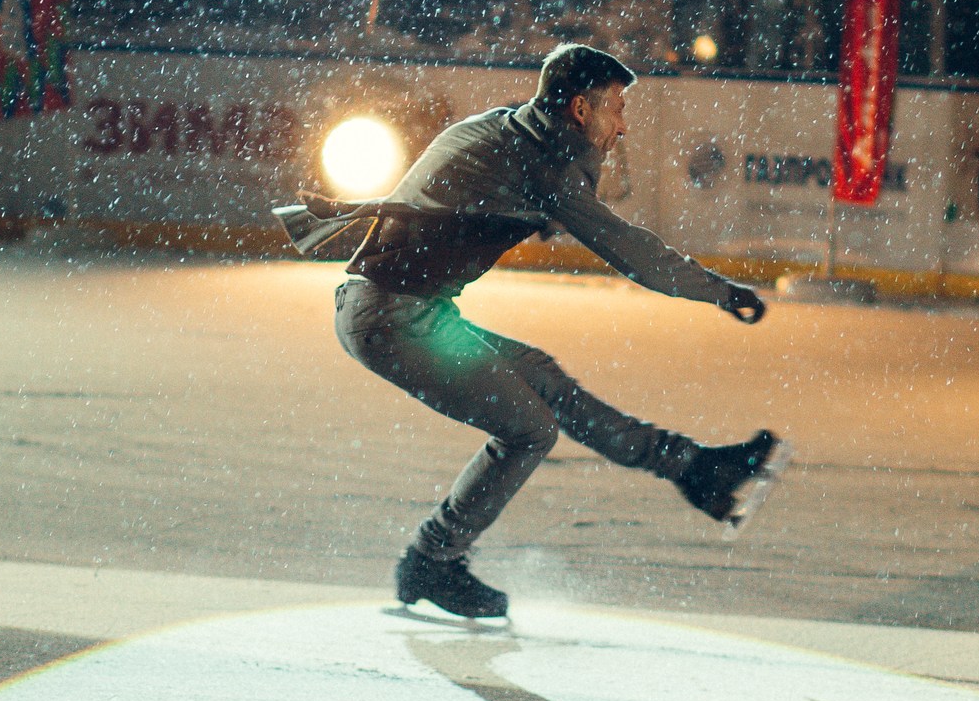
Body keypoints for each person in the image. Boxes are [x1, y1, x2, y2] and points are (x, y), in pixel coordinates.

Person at [287, 44, 785, 619]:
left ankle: (692, 468)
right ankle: (431, 560)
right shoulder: (540, 165)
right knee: (530, 430)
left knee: (544, 380)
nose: (622, 128)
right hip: (391, 320)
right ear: (579, 109)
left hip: (407, 313)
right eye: (616, 109)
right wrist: (722, 292)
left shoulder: (511, 130)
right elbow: (635, 254)